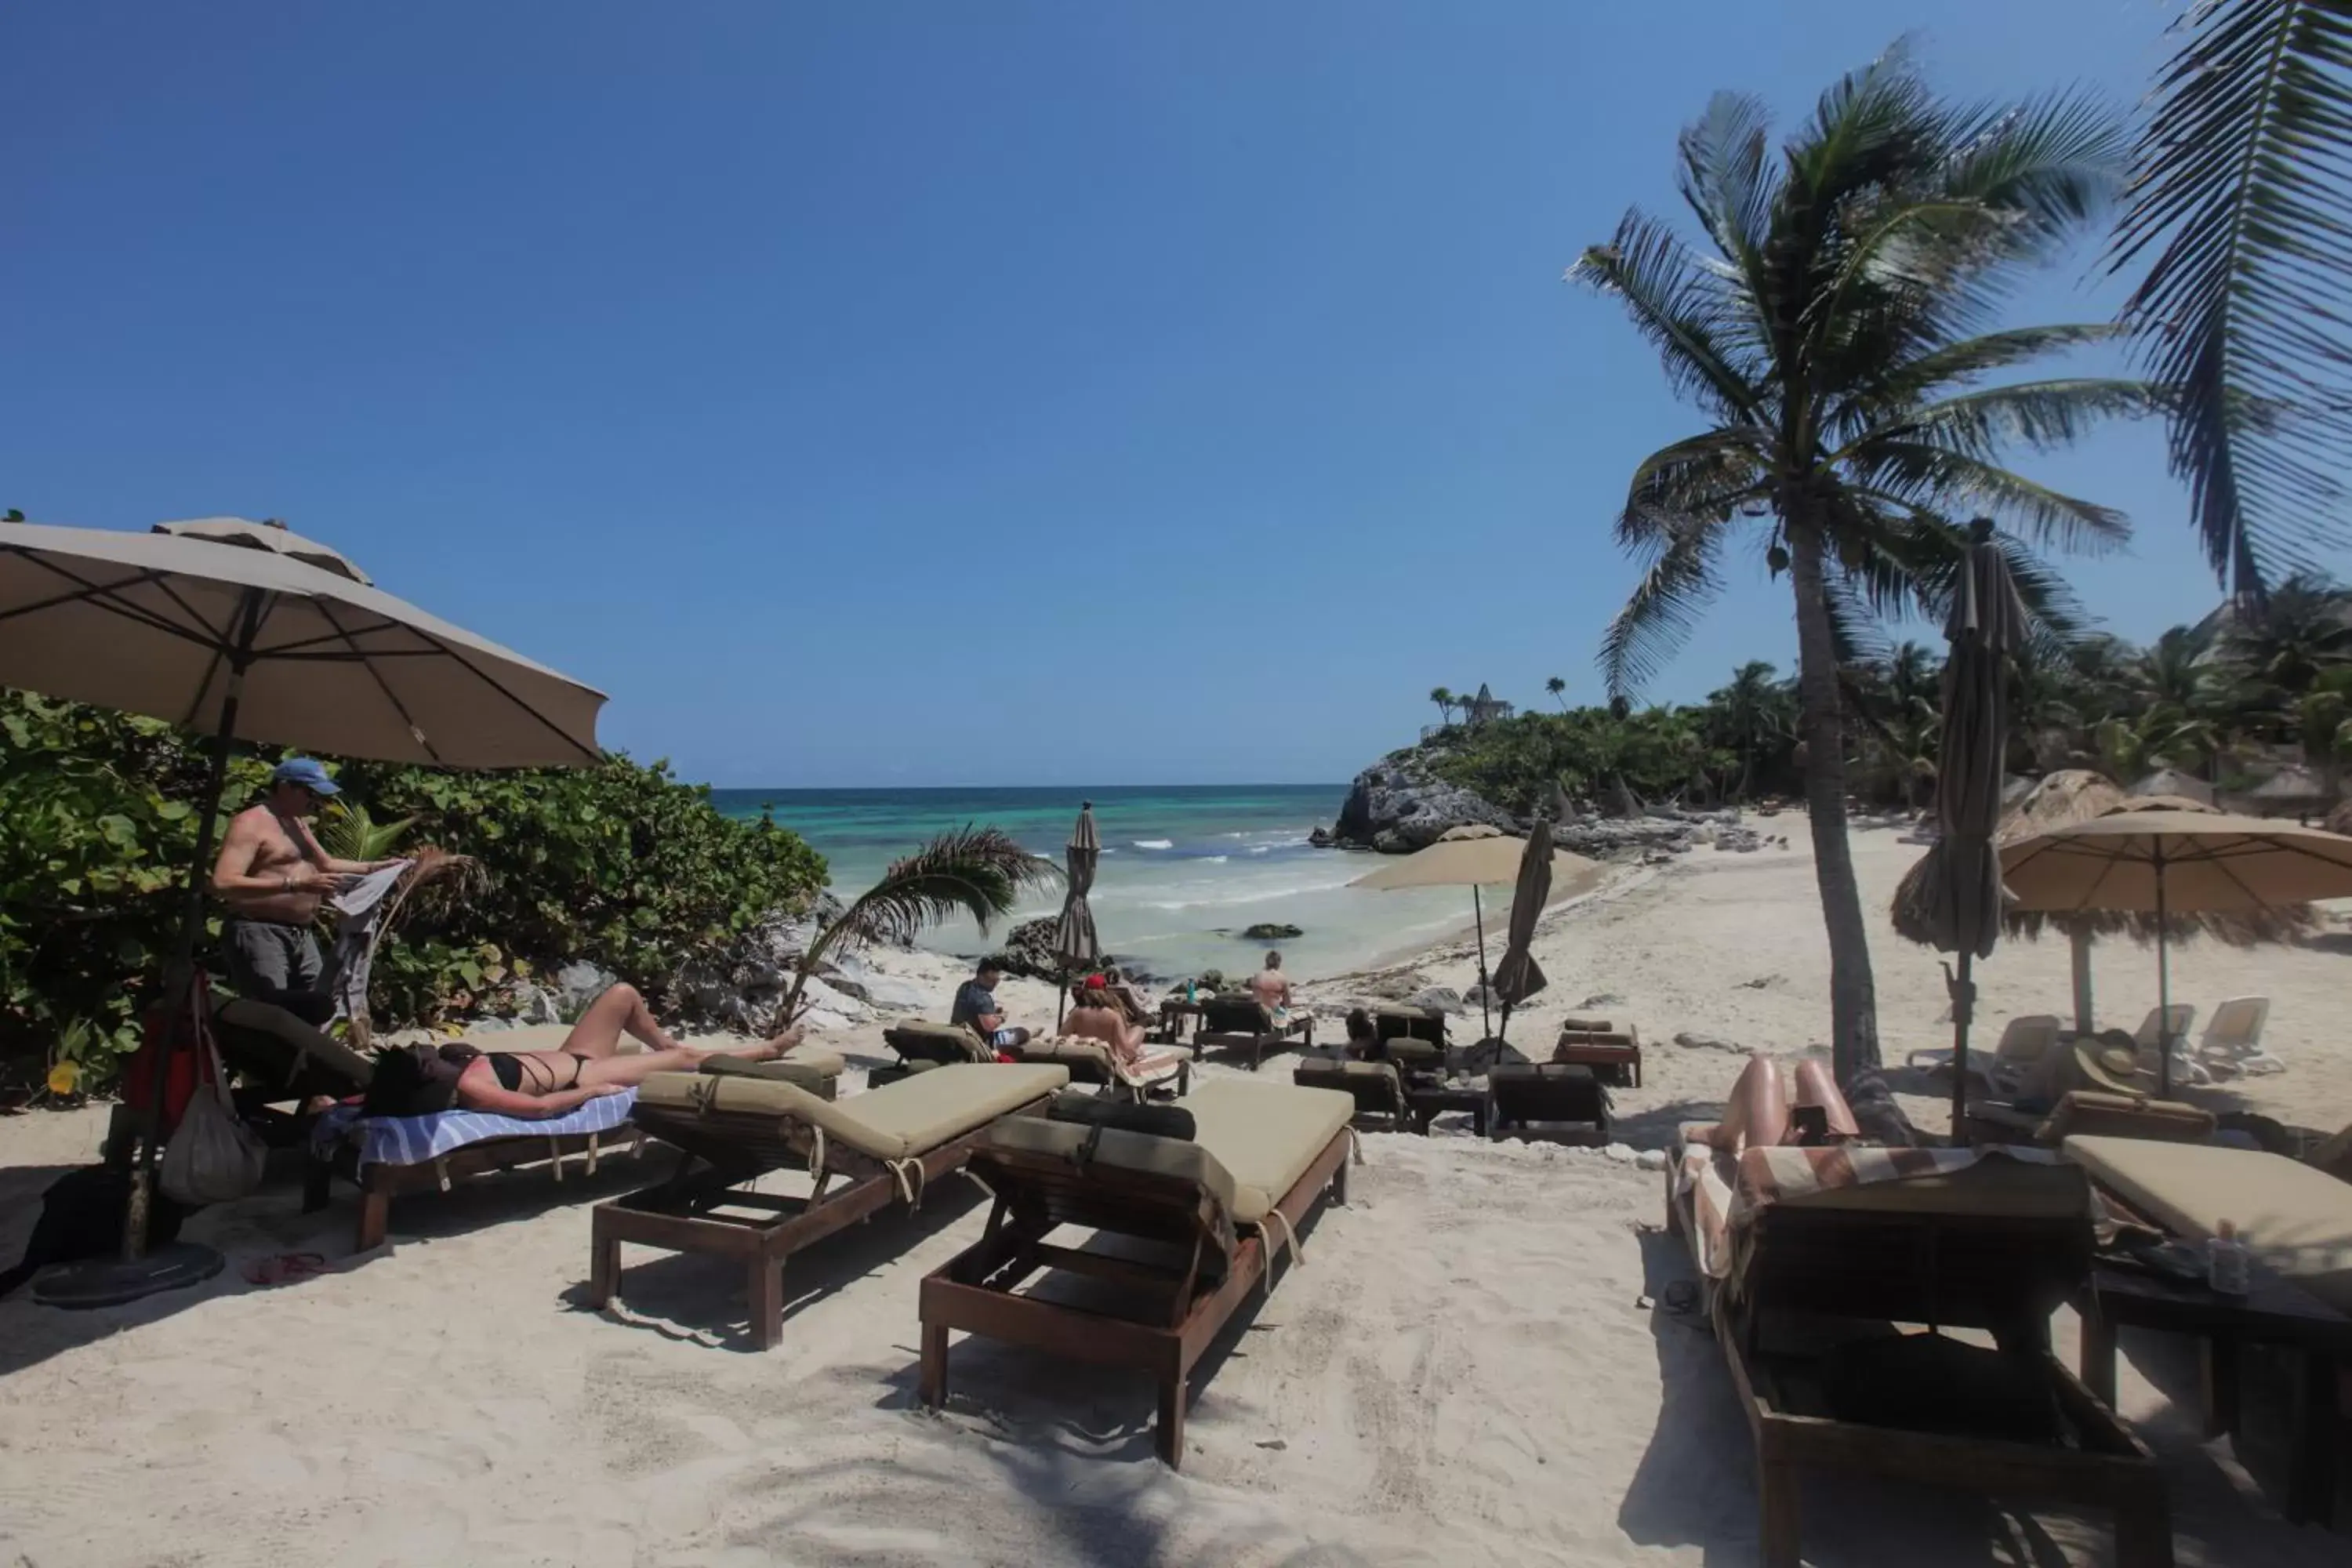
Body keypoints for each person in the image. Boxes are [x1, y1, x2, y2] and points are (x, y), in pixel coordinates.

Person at [364, 980, 806, 1119]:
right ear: (425, 1079)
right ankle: (765, 1051)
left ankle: (666, 1045)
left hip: (574, 1053)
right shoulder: (476, 1087)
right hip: (582, 1075)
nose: (421, 1052)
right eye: (417, 1059)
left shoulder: (455, 1068)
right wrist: (589, 1094)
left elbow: (362, 1095)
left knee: (623, 993)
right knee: (686, 1061)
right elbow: (539, 1109)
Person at [209, 757, 398, 1022]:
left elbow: (327, 864)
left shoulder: (297, 822)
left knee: (319, 1004)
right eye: (310, 793)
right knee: (271, 1012)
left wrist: (376, 867)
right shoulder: (250, 823)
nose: (315, 801)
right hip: (260, 931)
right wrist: (295, 885)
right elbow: (223, 883)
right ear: (285, 787)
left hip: (300, 933)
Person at [949, 957, 1030, 1050]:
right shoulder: (983, 998)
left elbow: (972, 1009)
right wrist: (1002, 1018)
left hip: (958, 1036)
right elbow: (989, 1026)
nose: (994, 984)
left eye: (997, 981)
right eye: (991, 981)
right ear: (980, 976)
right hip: (979, 1044)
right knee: (1023, 1033)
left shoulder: (965, 986)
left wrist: (992, 1011)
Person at [1246, 949, 1294, 1024]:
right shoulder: (1282, 978)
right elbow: (1288, 1002)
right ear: (1278, 963)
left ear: (1266, 962)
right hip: (1271, 1018)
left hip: (1255, 1016)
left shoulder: (1256, 977)